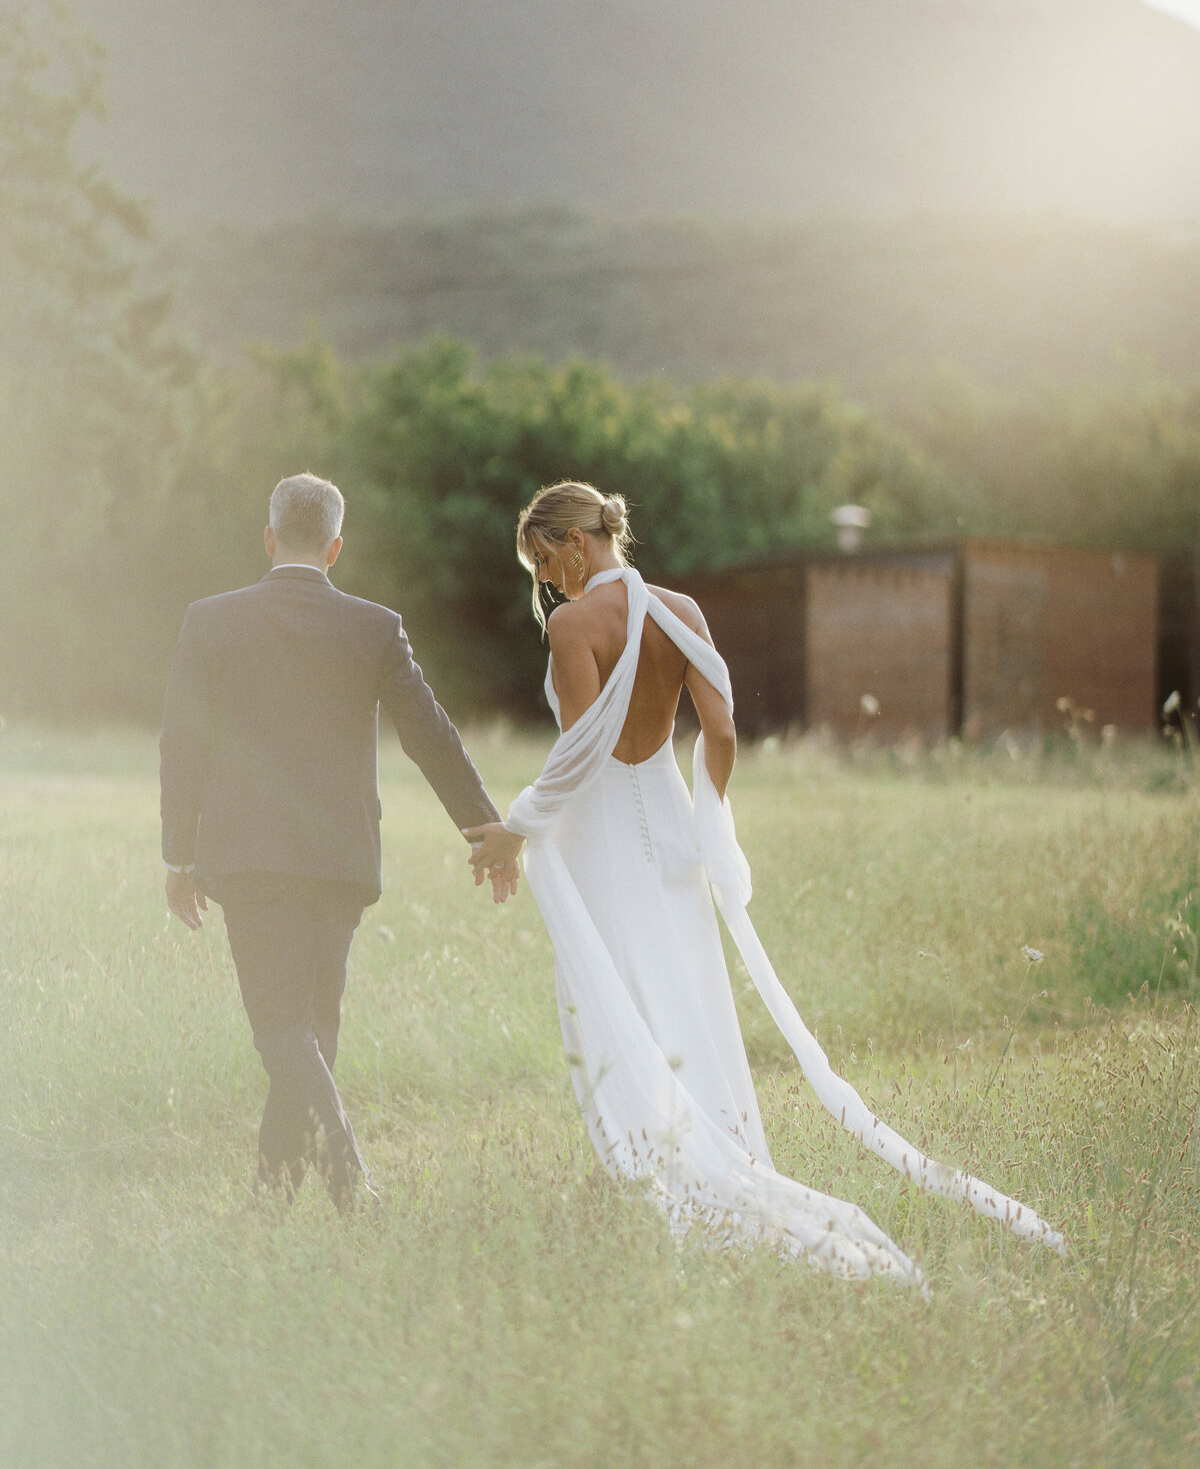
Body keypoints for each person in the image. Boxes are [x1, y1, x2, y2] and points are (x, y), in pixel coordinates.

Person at [465, 481, 1064, 1289]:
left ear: (578, 543)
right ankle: (703, 1149)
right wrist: (709, 819)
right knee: (689, 998)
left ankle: (648, 1174)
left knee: (619, 999)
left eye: (547, 562)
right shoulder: (682, 611)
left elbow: (578, 757)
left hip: (604, 836)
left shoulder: (576, 626)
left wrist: (518, 826)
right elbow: (719, 729)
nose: (548, 583)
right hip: (673, 825)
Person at [160, 472, 514, 1211]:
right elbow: (431, 734)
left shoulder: (210, 620)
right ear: (335, 546)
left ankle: (348, 1179)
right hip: (340, 856)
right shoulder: (374, 626)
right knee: (311, 1024)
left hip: (250, 856)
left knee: (285, 1027)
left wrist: (178, 855)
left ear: (268, 539)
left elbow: (180, 744)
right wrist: (483, 824)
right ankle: (276, 1187)